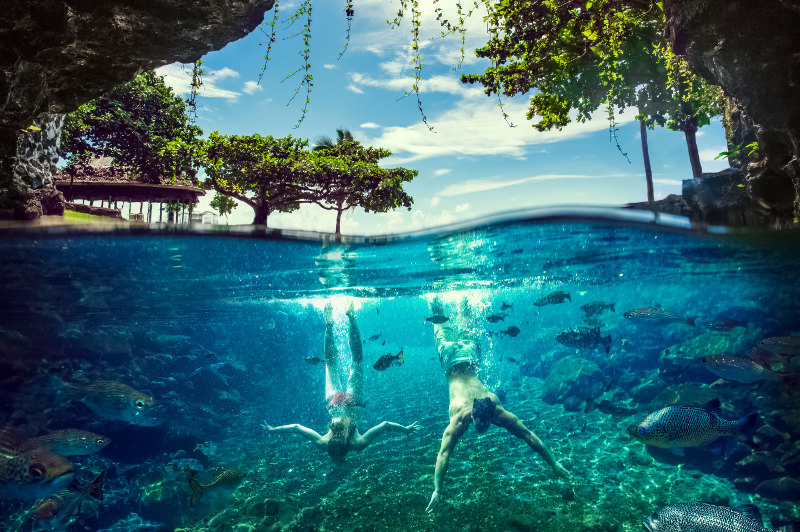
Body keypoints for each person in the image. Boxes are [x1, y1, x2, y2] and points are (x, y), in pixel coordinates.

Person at [425, 297, 569, 512]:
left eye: (481, 425)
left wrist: (554, 464)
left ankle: (443, 293)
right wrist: (437, 488)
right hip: (453, 357)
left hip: (464, 354)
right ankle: (453, 293)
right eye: (479, 424)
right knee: (447, 318)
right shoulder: (463, 417)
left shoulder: (494, 411)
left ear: (487, 414)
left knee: (448, 315)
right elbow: (443, 454)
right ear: (473, 413)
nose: (480, 428)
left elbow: (529, 436)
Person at [263, 302, 419, 462]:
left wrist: (405, 430)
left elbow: (385, 425)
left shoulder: (357, 444)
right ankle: (329, 325)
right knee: (330, 362)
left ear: (345, 453)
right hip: (333, 402)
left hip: (353, 403)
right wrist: (273, 429)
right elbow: (296, 428)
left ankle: (351, 317)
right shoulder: (324, 443)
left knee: (356, 361)